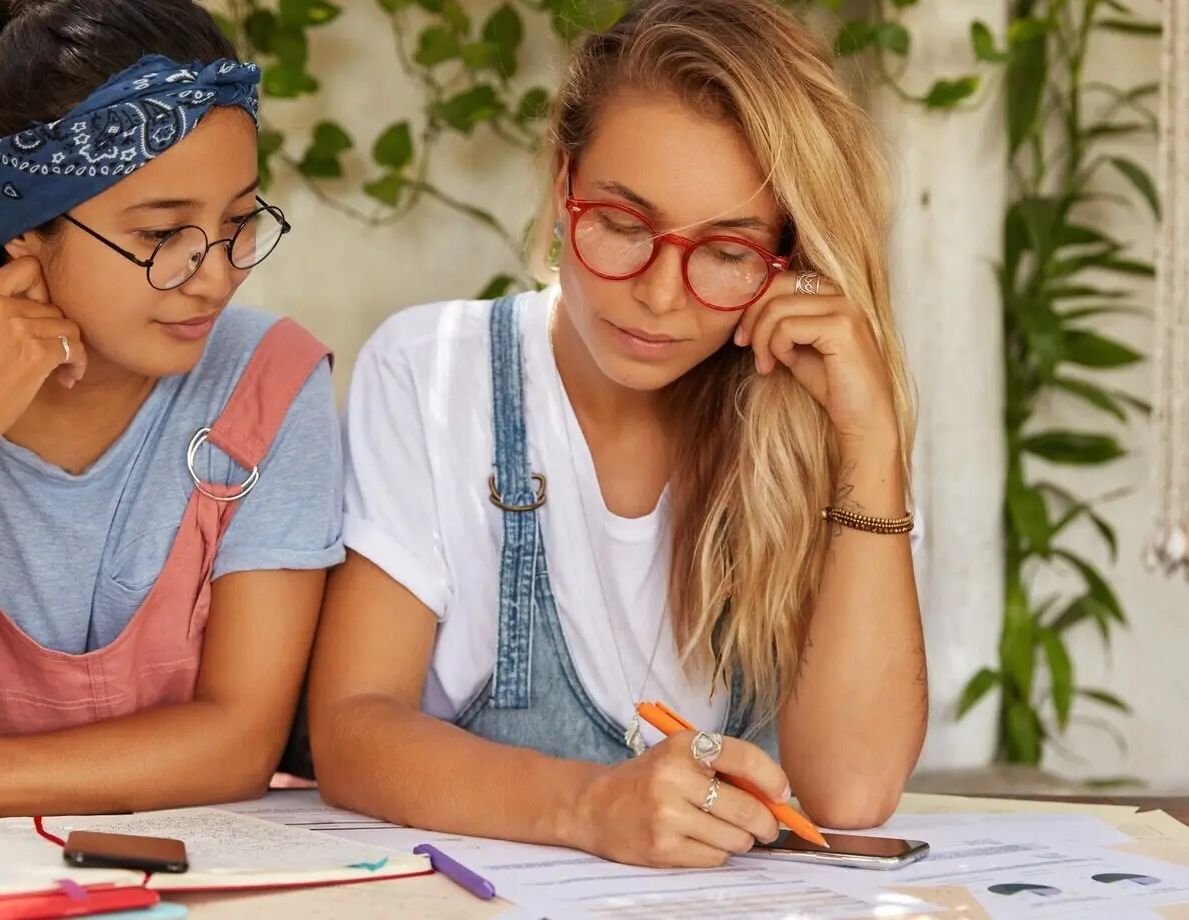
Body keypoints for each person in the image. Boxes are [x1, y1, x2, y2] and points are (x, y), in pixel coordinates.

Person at [308, 0, 928, 869]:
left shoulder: (825, 421)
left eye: (726, 251)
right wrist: (593, 807)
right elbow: (350, 730)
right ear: (564, 183)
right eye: (626, 225)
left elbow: (852, 795)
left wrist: (870, 443)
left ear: (794, 258)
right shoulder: (432, 372)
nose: (662, 295)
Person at [0, 0, 342, 819]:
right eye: (163, 234)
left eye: (238, 222)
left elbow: (238, 741)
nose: (216, 275)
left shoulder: (270, 383)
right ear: (21, 224)